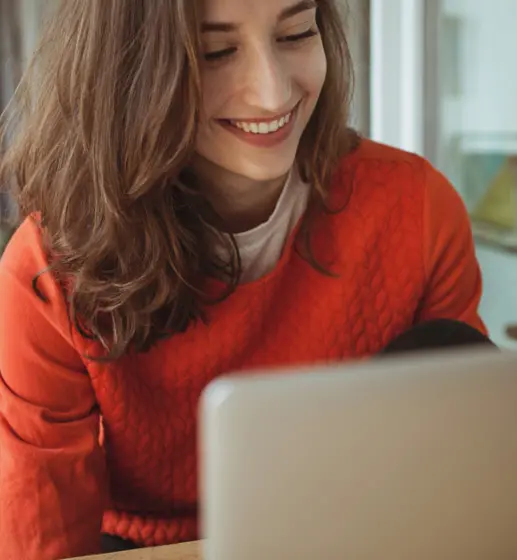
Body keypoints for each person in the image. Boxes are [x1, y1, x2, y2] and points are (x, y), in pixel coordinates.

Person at [0, 0, 488, 558]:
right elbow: (43, 542)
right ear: (131, 74)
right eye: (217, 51)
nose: (273, 93)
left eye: (296, 34)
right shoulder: (48, 274)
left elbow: (463, 483)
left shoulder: (419, 211)